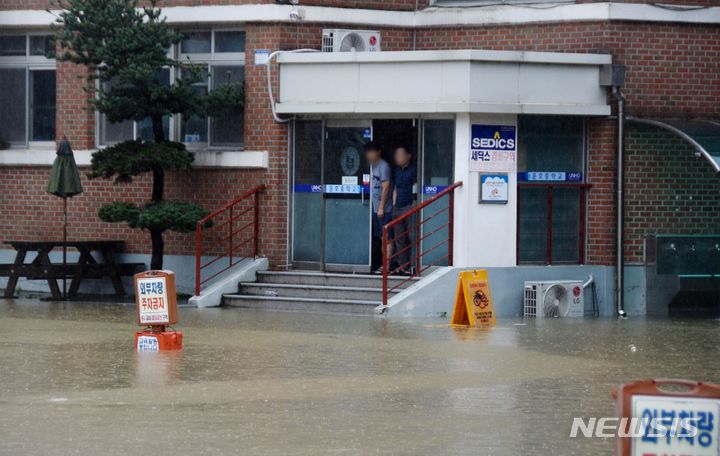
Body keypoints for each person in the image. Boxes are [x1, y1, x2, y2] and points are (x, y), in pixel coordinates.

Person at [364, 141, 393, 273]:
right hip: (375, 209)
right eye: (368, 152)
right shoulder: (371, 166)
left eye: (372, 152)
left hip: (384, 210)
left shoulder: (383, 166)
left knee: (386, 238)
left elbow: (386, 187)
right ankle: (383, 265)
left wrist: (381, 207)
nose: (369, 155)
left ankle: (386, 266)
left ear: (378, 152)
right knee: (381, 238)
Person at [392, 146, 416, 276]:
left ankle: (413, 265)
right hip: (398, 207)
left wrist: (413, 205)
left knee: (412, 237)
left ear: (408, 156)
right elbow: (395, 188)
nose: (398, 158)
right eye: (397, 155)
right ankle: (402, 266)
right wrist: (394, 205)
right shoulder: (396, 171)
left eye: (401, 155)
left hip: (409, 206)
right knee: (399, 238)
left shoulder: (413, 170)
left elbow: (416, 188)